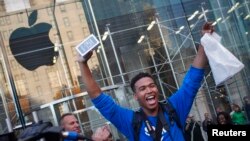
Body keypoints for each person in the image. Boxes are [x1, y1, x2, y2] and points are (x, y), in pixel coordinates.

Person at [77, 22, 213, 141]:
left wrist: (204, 42)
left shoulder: (174, 109)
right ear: (135, 96)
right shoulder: (131, 122)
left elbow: (192, 80)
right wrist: (83, 64)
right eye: (142, 89)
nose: (149, 90)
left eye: (151, 86)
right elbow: (100, 100)